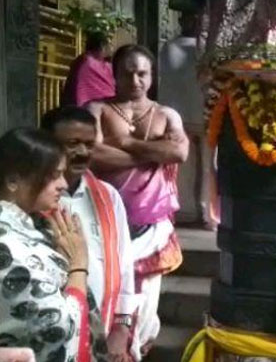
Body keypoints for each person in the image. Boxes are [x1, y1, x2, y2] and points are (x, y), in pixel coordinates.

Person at [88, 44, 187, 355]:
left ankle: (136, 354)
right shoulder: (96, 110)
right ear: (115, 75)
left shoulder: (166, 114)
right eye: (127, 73)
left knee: (144, 305)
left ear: (152, 76)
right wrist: (150, 154)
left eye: (142, 73)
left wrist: (125, 143)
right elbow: (91, 152)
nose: (135, 80)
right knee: (106, 297)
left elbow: (179, 152)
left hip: (151, 224)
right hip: (105, 222)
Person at [0, 128, 108, 361]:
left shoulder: (32, 224)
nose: (63, 184)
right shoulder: (6, 242)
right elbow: (56, 325)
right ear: (13, 180)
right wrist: (78, 267)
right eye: (53, 175)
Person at [41, 106, 140, 361]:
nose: (83, 152)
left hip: (103, 333)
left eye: (88, 143)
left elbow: (124, 265)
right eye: (72, 144)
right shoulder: (34, 199)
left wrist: (122, 326)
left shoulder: (108, 197)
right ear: (48, 144)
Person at [159, 13, 219, 230]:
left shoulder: (200, 48)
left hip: (196, 113)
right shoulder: (173, 48)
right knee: (190, 166)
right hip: (188, 115)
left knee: (207, 166)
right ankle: (190, 210)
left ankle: (203, 212)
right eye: (187, 18)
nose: (189, 22)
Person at [61, 32, 115, 107]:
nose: (111, 48)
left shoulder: (82, 60)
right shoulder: (87, 63)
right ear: (102, 46)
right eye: (110, 45)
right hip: (81, 110)